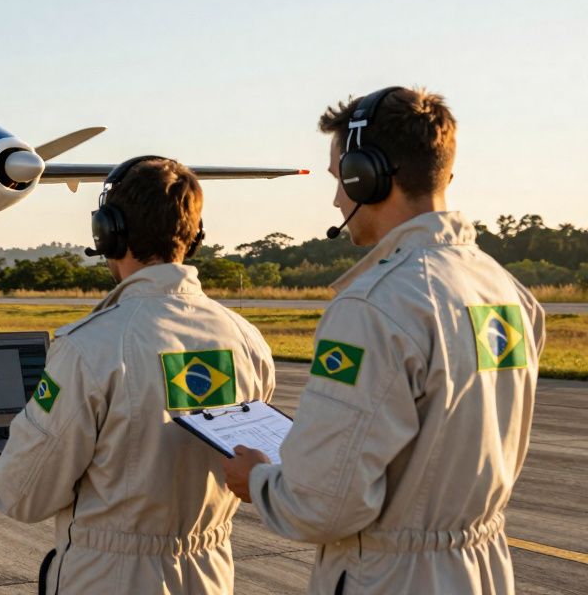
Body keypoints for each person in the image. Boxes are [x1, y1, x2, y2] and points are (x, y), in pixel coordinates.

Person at [221, 87, 545, 594]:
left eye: (338, 180)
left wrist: (259, 480)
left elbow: (322, 505)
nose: (335, 199)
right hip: (482, 569)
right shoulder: (506, 289)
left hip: (390, 577)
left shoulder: (373, 306)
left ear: (366, 176)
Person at [0, 156, 276, 594]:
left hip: (110, 577)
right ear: (194, 235)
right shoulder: (246, 339)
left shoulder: (89, 347)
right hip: (210, 573)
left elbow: (25, 495)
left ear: (109, 233)